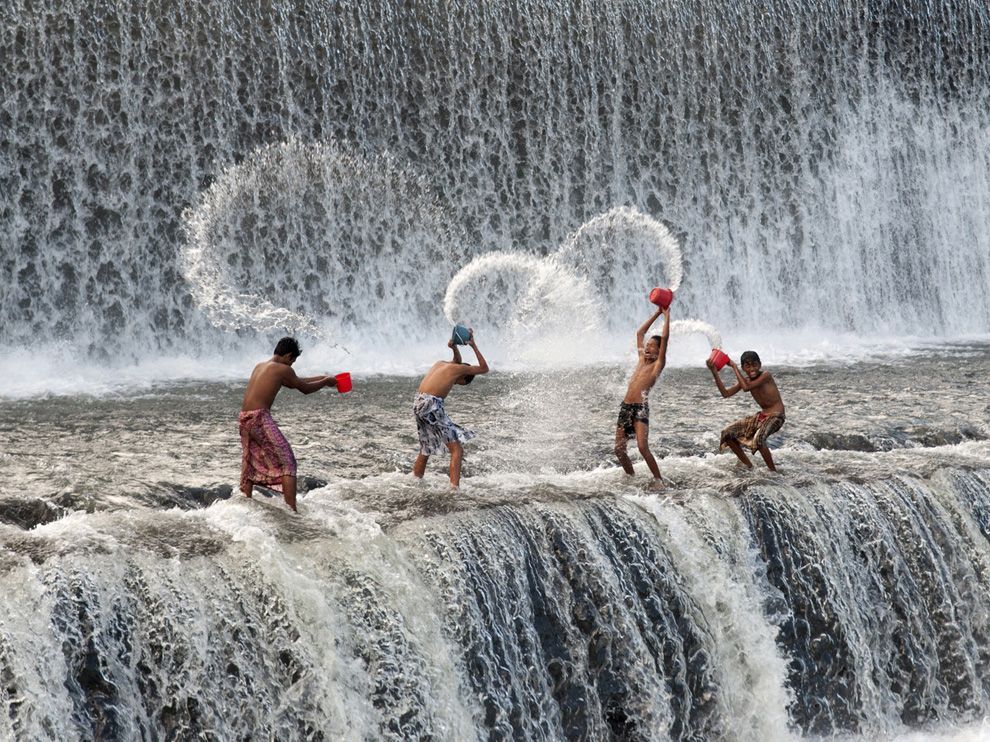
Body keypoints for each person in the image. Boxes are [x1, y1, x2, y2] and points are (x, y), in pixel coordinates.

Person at [239, 336, 338, 511]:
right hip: (259, 418)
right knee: (288, 461)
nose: (292, 365)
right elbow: (304, 389)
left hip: (244, 418)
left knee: (250, 461)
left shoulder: (261, 366)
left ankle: (244, 503)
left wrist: (324, 378)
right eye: (292, 361)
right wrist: (324, 382)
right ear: (288, 356)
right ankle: (291, 510)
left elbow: (295, 382)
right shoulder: (283, 369)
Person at [412, 329, 489, 487]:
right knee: (457, 449)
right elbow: (484, 368)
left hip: (418, 402)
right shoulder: (460, 370)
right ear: (463, 376)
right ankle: (454, 490)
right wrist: (473, 345)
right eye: (458, 383)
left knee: (426, 447)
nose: (454, 384)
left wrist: (454, 347)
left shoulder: (441, 364)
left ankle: (415, 480)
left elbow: (456, 360)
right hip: (432, 404)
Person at [615, 304, 670, 489]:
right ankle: (631, 478)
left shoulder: (657, 365)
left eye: (653, 347)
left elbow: (665, 338)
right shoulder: (641, 360)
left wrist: (667, 316)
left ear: (659, 351)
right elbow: (639, 333)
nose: (647, 348)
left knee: (642, 447)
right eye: (647, 346)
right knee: (619, 450)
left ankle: (658, 481)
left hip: (640, 409)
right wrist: (656, 313)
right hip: (626, 406)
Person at [706, 350, 785, 471]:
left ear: (760, 365)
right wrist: (714, 372)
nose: (752, 369)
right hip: (762, 416)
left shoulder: (766, 376)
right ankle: (749, 466)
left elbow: (746, 388)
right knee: (727, 433)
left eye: (755, 365)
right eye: (747, 366)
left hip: (776, 416)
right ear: (743, 368)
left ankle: (773, 472)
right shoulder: (745, 380)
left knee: (759, 439)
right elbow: (725, 394)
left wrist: (733, 366)